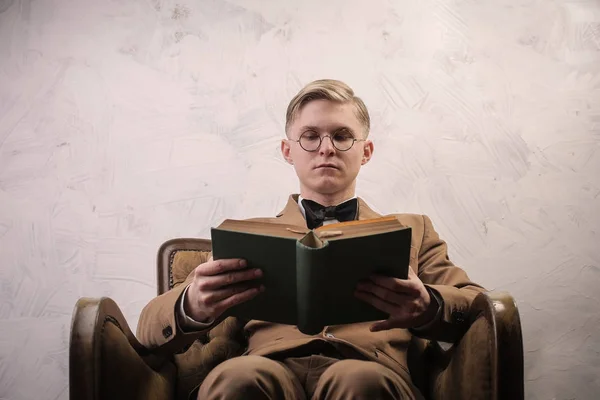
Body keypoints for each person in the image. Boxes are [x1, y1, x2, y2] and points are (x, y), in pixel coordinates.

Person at [137, 79, 486, 399]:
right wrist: (190, 306)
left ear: (366, 152)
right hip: (264, 366)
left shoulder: (414, 229)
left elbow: (479, 306)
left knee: (359, 380)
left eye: (342, 135)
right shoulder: (244, 235)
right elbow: (148, 328)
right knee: (238, 378)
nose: (326, 149)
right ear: (288, 151)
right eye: (310, 136)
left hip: (372, 371)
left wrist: (430, 307)